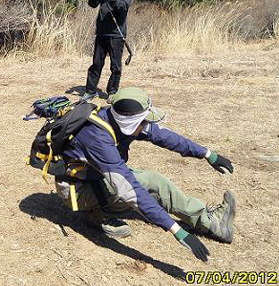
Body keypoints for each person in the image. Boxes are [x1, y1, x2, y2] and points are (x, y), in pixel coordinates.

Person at [54, 87, 236, 261]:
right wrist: (177, 230)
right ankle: (212, 224)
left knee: (147, 181)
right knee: (152, 182)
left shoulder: (115, 117)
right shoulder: (97, 138)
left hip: (93, 177)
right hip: (77, 191)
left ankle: (100, 211)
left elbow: (164, 136)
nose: (148, 124)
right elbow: (130, 190)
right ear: (133, 123)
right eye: (145, 121)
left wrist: (207, 154)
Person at [82, 0, 135, 101]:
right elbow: (92, 4)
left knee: (115, 66)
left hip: (117, 33)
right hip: (101, 32)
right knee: (96, 64)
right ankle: (90, 91)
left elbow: (123, 6)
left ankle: (112, 92)